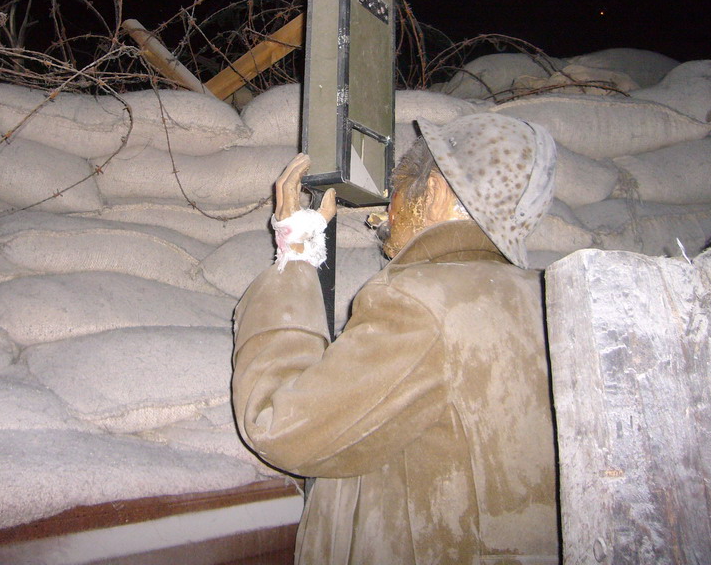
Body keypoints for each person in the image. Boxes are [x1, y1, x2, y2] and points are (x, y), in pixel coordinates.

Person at [231, 113, 560, 564]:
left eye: (401, 186)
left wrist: (296, 255)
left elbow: (278, 425)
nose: (387, 210)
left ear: (437, 191)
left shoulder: (420, 302)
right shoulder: (549, 301)